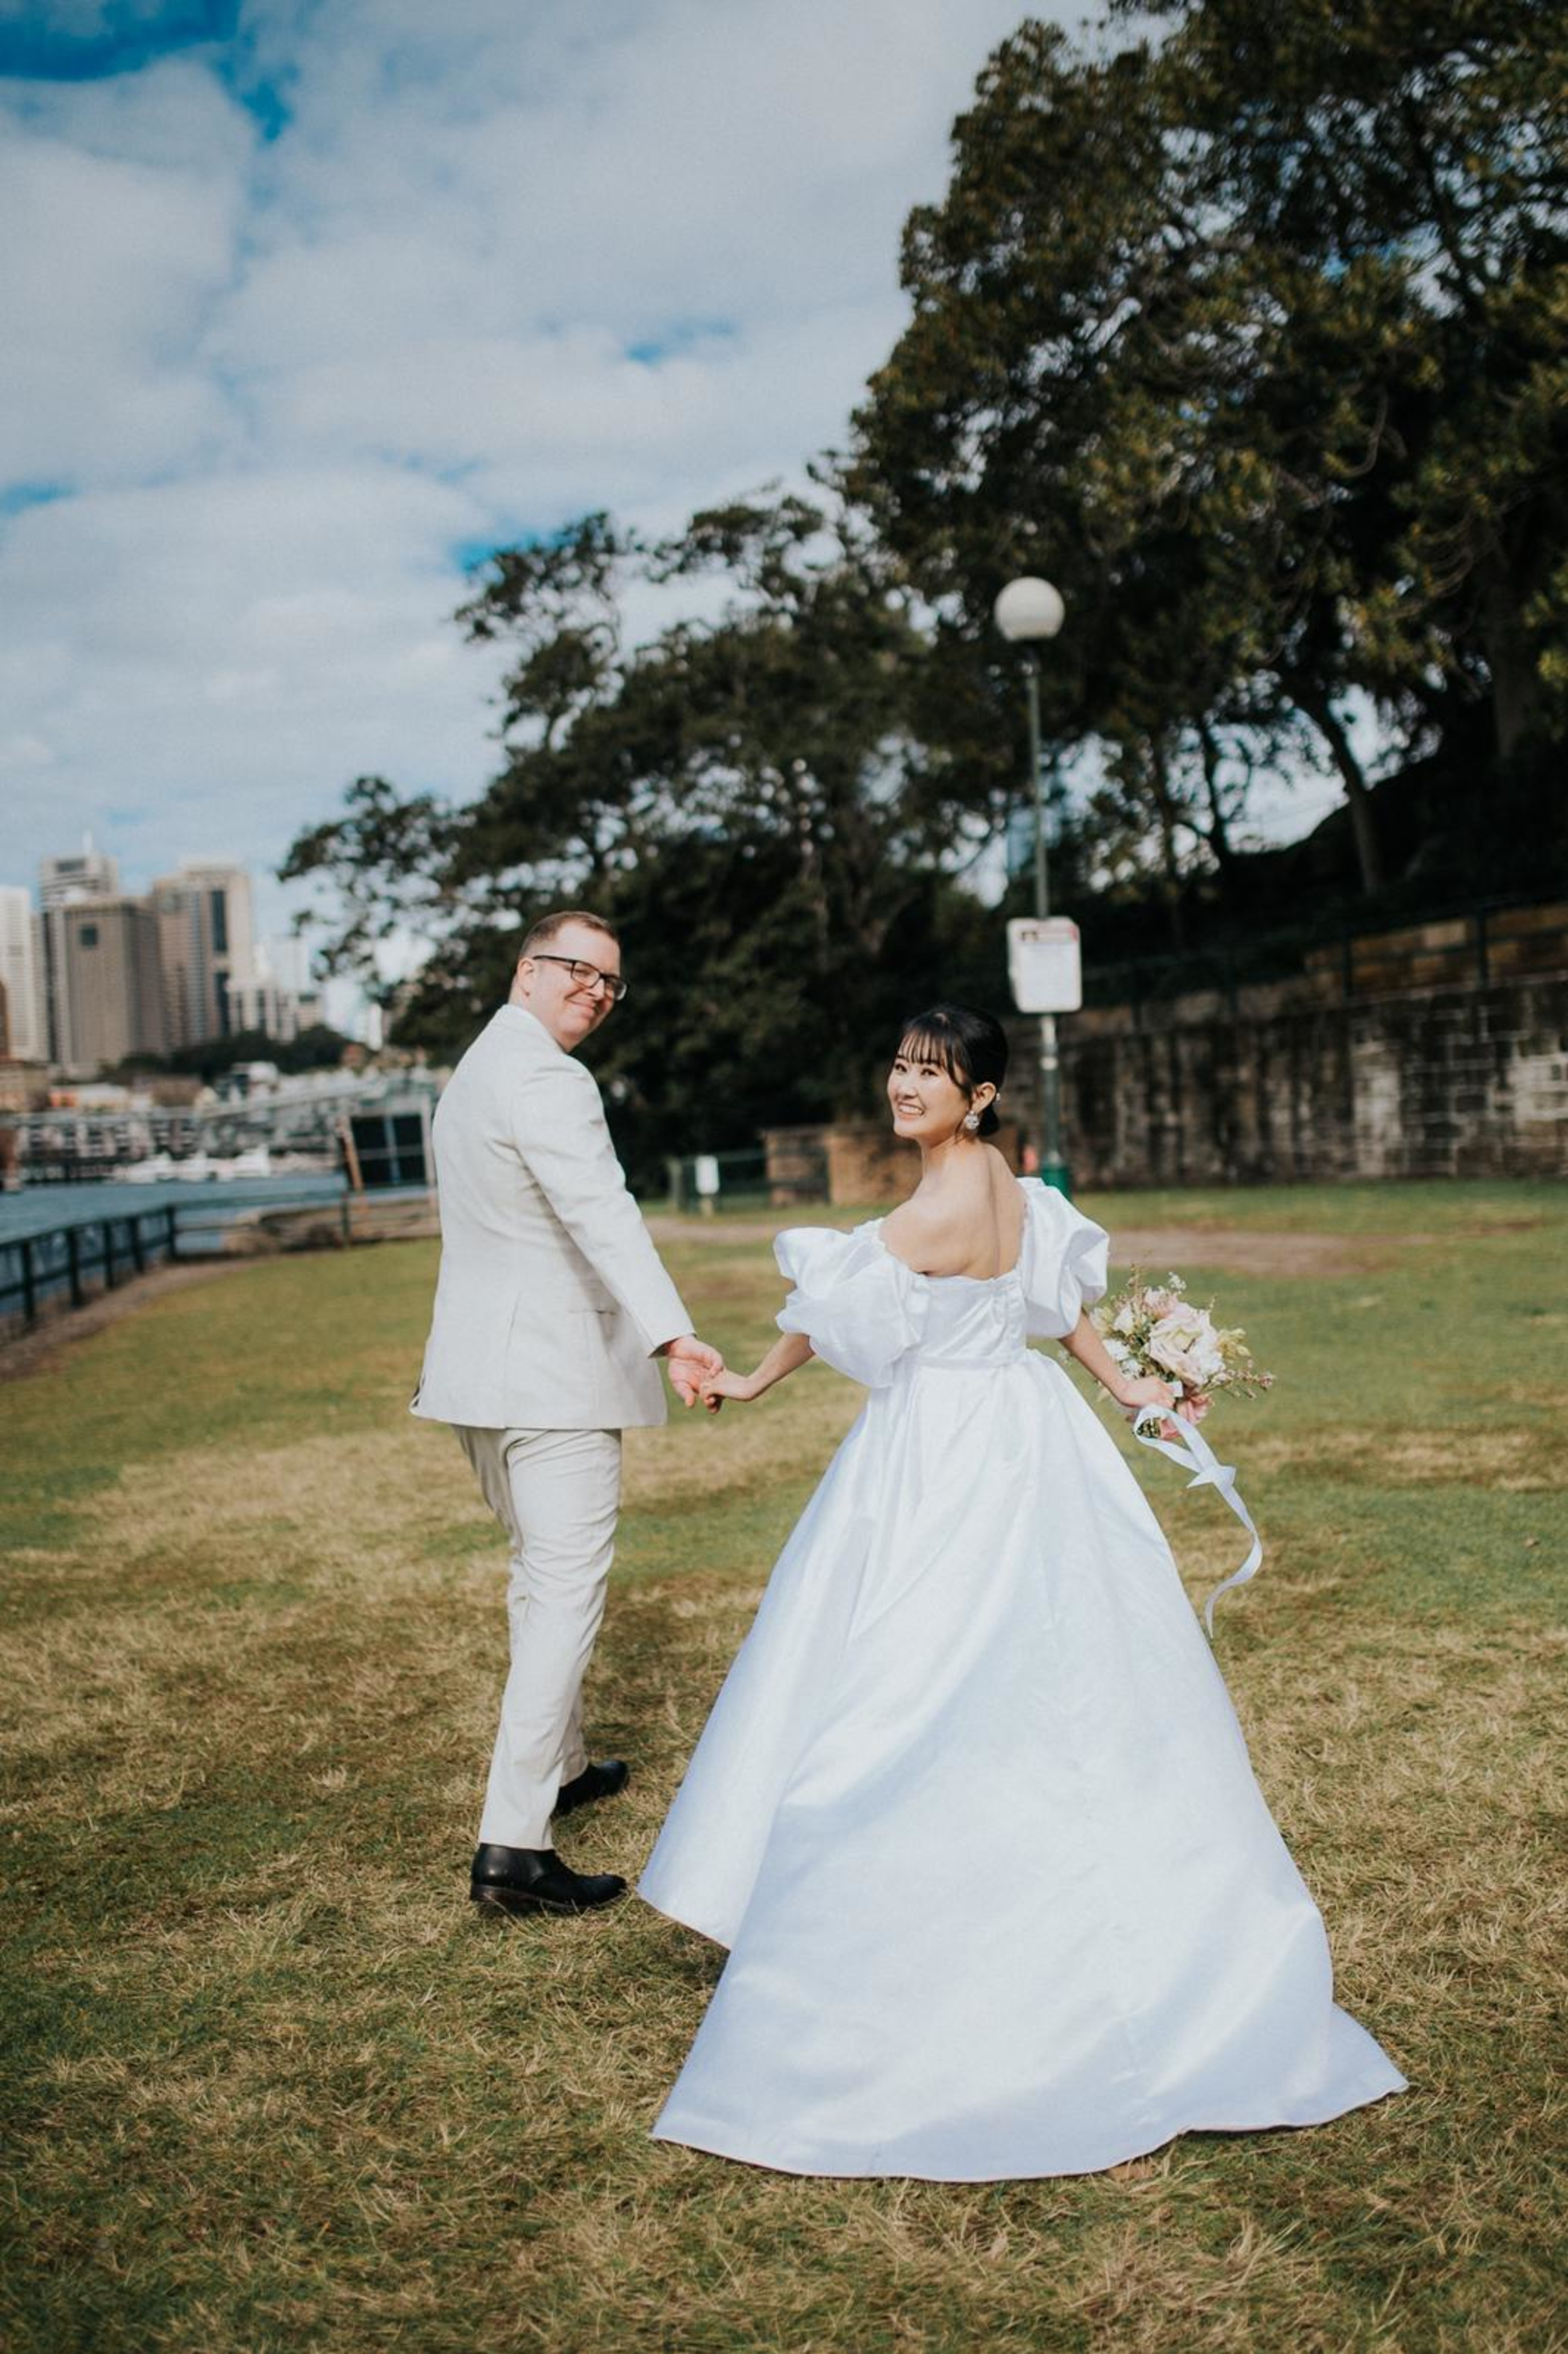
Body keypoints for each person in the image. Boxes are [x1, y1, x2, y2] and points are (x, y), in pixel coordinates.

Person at [639, 1003, 1405, 2178]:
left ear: (979, 1094)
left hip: (940, 1446)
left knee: (904, 1680)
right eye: (898, 1064)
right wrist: (1137, 1392)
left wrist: (747, 1379)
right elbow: (1064, 1317)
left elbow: (830, 1310)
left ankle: (904, 1935)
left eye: (931, 1073)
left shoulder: (933, 1204)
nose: (905, 1085)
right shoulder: (1012, 1185)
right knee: (1063, 1666)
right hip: (1025, 1427)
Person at [412, 910, 723, 1921]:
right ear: (527, 969)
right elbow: (603, 1209)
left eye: (610, 982)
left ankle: (563, 1765)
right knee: (564, 1590)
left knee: (536, 1574)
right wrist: (674, 1334)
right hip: (547, 1378)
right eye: (577, 970)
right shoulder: (549, 1075)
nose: (595, 990)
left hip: (479, 1378)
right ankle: (512, 1844)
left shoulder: (471, 1072)